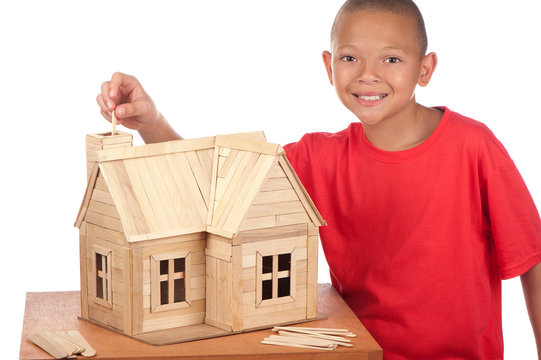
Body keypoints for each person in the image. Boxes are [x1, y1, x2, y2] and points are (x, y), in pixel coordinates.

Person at [96, 1, 541, 358]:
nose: (368, 73)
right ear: (330, 67)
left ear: (425, 69)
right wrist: (151, 122)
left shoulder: (473, 147)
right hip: (355, 353)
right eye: (350, 58)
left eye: (391, 58)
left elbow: (533, 262)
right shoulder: (316, 157)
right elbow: (215, 183)